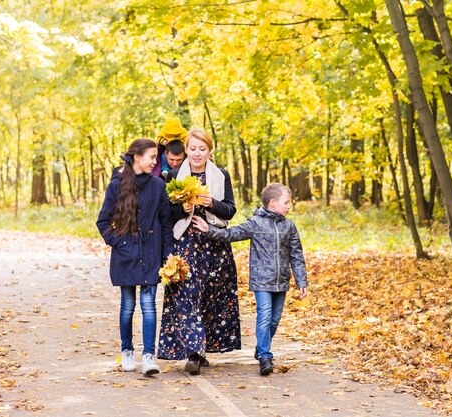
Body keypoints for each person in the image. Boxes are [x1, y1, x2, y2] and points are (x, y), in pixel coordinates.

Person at [192, 183, 308, 376]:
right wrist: (208, 229)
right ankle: (265, 356)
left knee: (274, 319)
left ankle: (262, 345)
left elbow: (296, 255)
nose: (289, 206)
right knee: (264, 316)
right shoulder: (256, 223)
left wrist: (301, 281)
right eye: (286, 202)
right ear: (272, 203)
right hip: (262, 280)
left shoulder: (289, 226)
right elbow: (230, 234)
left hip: (281, 281)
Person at [157, 128, 241, 375]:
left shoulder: (221, 175)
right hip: (185, 244)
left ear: (209, 151)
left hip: (214, 245)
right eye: (192, 148)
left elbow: (230, 210)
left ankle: (203, 348)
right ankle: (192, 352)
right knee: (185, 295)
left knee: (210, 298)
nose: (196, 153)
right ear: (186, 150)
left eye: (201, 149)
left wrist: (210, 203)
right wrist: (184, 208)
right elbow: (167, 216)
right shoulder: (172, 176)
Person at [96, 138, 174, 375]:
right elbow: (103, 222)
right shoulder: (117, 185)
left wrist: (167, 254)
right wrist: (121, 243)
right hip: (126, 255)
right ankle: (127, 351)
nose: (155, 161)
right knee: (128, 305)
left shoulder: (158, 185)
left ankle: (149, 356)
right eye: (152, 157)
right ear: (137, 157)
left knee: (149, 305)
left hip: (151, 252)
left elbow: (165, 223)